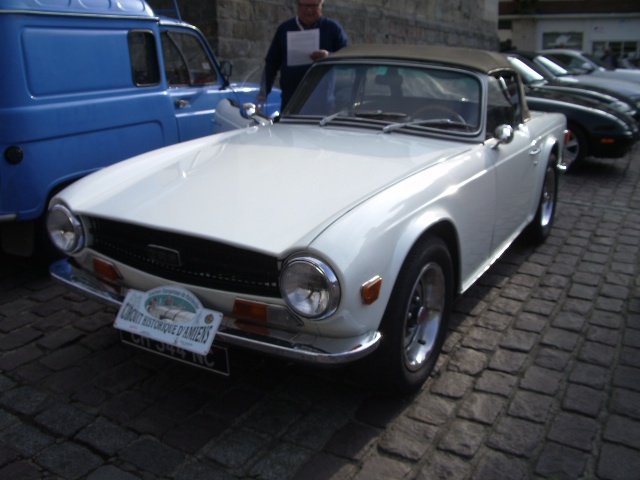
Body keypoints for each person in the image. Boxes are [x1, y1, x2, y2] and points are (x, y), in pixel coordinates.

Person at [257, 0, 348, 112]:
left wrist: (329, 56)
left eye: (313, 6)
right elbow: (271, 63)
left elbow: (347, 57)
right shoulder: (285, 29)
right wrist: (263, 93)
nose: (308, 10)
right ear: (298, 6)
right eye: (304, 6)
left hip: (323, 104)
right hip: (291, 101)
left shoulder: (333, 29)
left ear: (321, 5)